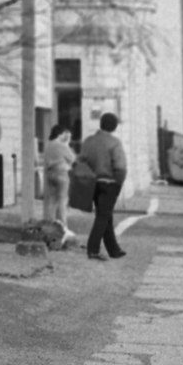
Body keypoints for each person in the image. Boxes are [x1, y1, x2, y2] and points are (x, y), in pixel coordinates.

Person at [77, 111, 128, 261]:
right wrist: (119, 182)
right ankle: (93, 250)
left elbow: (81, 162)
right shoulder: (114, 143)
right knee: (103, 216)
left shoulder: (88, 141)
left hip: (93, 184)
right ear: (114, 126)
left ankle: (114, 250)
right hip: (110, 183)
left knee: (106, 216)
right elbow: (120, 166)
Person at [41, 123, 77, 228]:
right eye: (63, 134)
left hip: (49, 173)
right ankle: (62, 225)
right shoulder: (61, 145)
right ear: (60, 134)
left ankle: (49, 223)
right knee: (62, 200)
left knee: (51, 200)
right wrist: (67, 143)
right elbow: (72, 158)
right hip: (61, 173)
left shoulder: (48, 145)